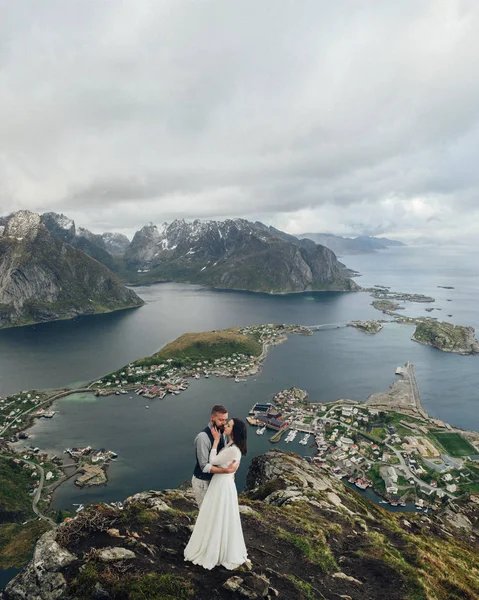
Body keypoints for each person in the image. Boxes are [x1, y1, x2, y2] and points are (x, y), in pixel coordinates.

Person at [184, 417, 248, 570]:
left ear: (234, 431)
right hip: (223, 482)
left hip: (221, 484)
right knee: (219, 514)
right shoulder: (232, 444)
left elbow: (211, 460)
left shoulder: (232, 448)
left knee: (215, 513)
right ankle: (217, 543)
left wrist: (215, 440)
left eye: (229, 425)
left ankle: (212, 547)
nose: (225, 425)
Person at [192, 404, 238, 508]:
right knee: (205, 512)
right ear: (212, 418)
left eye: (225, 420)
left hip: (215, 481)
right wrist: (226, 471)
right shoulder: (203, 437)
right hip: (203, 482)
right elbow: (204, 466)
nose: (224, 423)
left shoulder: (221, 433)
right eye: (221, 420)